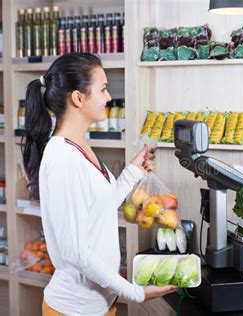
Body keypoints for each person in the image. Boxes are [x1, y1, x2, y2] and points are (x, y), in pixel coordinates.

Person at [22, 53, 177, 316]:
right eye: (103, 89)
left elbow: (99, 208)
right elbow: (77, 252)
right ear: (78, 98)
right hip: (73, 311)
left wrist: (132, 172)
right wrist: (135, 293)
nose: (108, 98)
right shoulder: (62, 158)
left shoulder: (79, 145)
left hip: (100, 305)